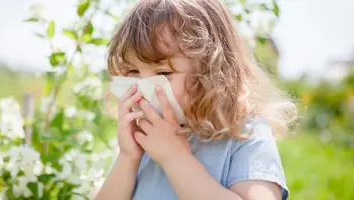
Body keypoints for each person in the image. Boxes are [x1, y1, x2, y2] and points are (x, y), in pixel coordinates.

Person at [96, 0, 297, 199]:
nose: (144, 88)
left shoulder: (245, 135)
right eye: (133, 71)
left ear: (211, 71)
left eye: (164, 72)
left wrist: (175, 158)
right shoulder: (146, 138)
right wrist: (128, 158)